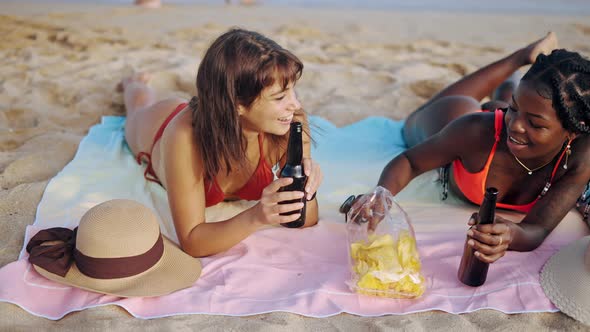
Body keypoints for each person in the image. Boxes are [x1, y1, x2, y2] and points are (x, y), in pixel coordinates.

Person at [368, 32, 590, 263]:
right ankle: (519, 59)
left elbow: (537, 230)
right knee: (412, 122)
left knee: (507, 108)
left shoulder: (580, 158)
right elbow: (411, 162)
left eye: (535, 123)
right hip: (463, 121)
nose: (515, 126)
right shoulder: (472, 131)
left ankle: (508, 90)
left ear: (573, 131)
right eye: (514, 110)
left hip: (500, 126)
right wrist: (381, 195)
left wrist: (512, 234)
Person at [120, 28, 322, 258]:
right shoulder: (184, 137)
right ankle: (132, 83)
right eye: (280, 97)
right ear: (237, 103)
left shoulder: (290, 124)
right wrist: (256, 216)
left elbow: (306, 220)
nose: (295, 105)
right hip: (160, 130)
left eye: (293, 91)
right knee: (137, 108)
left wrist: (309, 191)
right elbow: (193, 241)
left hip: (219, 119)